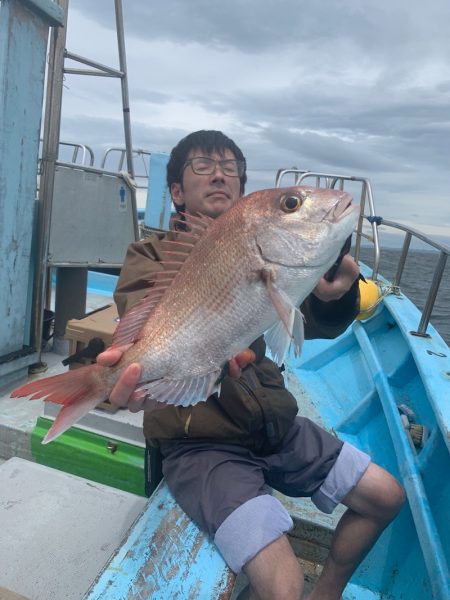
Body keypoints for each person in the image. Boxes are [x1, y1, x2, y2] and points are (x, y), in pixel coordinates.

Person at [97, 130, 405, 600]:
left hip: (274, 424)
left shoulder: (274, 251)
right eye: (202, 165)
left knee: (387, 497)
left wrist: (334, 296)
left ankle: (328, 593)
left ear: (244, 194)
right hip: (198, 443)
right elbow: (147, 334)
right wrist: (136, 379)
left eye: (230, 168)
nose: (219, 173)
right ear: (176, 192)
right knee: (283, 585)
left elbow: (307, 325)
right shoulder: (150, 256)